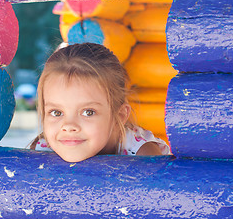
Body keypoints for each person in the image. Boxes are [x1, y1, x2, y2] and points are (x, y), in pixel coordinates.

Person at [29, 43, 171, 162]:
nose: (68, 126)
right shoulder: (42, 150)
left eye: (88, 112)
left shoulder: (144, 156)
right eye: (56, 112)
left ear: (120, 115)